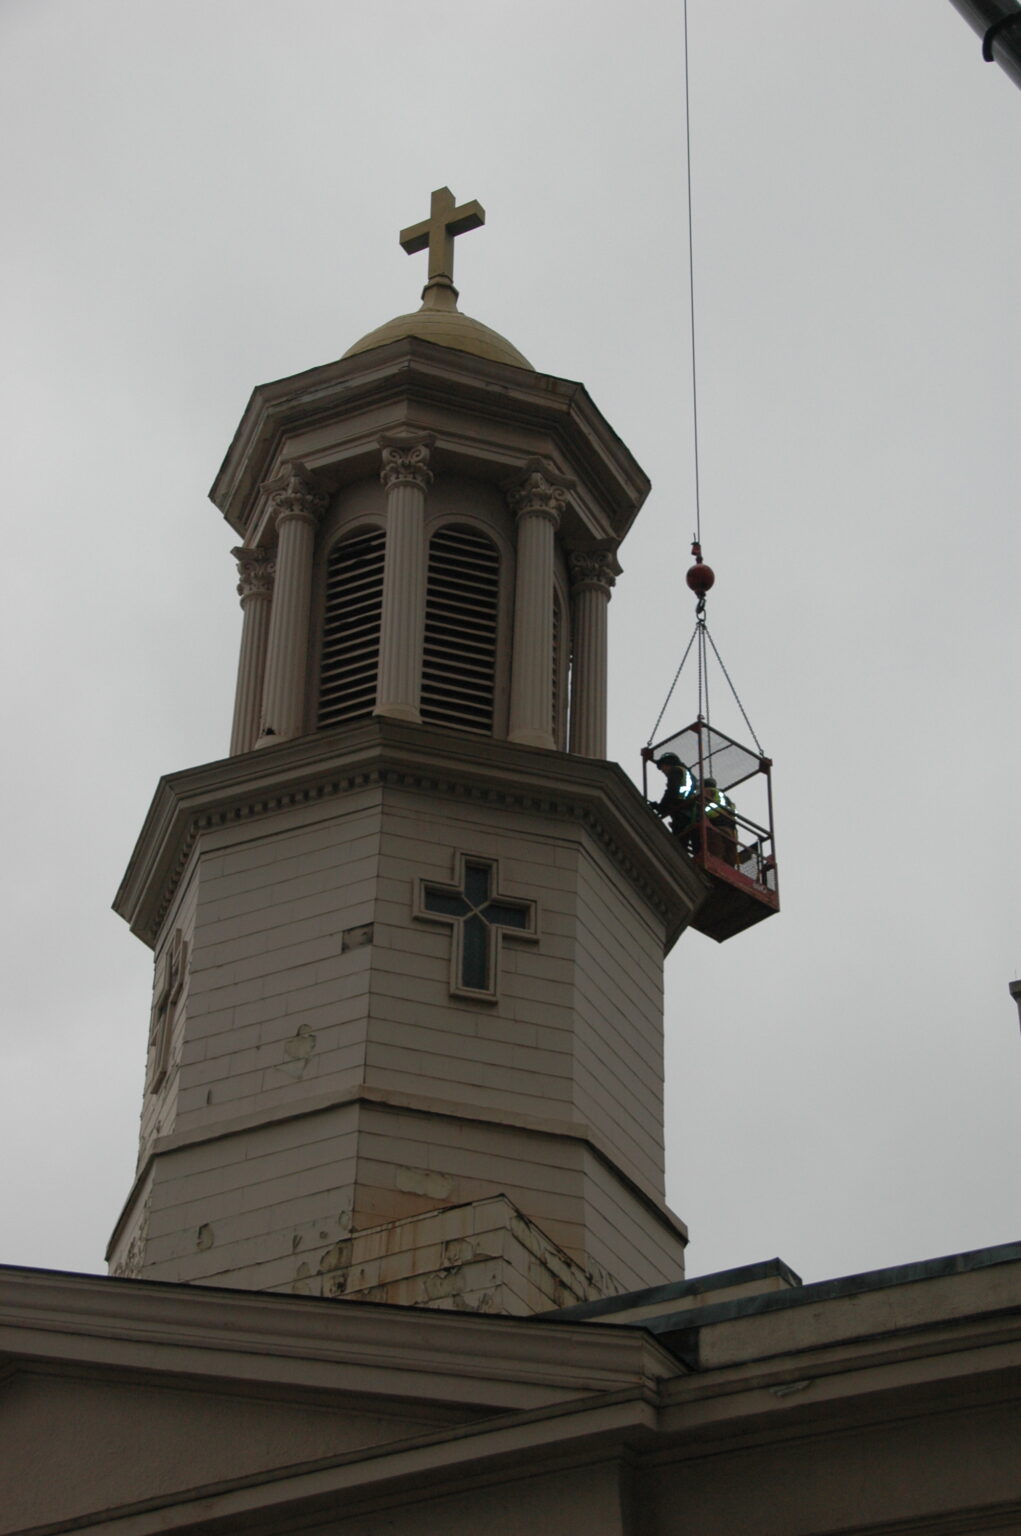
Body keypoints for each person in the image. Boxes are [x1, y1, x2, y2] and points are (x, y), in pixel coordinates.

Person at [652, 753, 698, 846]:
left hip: (681, 809)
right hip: (690, 811)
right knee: (684, 841)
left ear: (668, 764)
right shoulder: (687, 774)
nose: (663, 771)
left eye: (663, 768)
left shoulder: (676, 771)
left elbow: (672, 791)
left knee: (678, 842)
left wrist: (661, 807)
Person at [701, 776, 739, 866]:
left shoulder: (708, 791)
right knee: (729, 859)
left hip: (717, 825)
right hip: (731, 831)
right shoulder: (726, 798)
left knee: (716, 853)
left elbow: (702, 807)